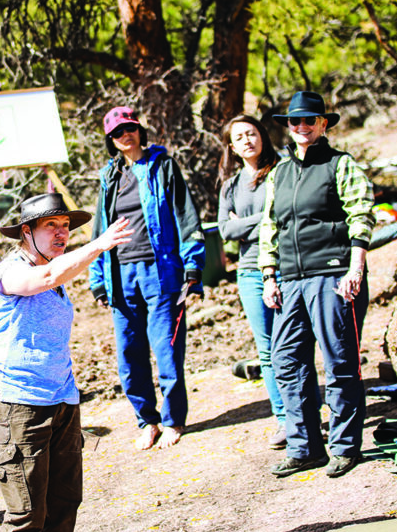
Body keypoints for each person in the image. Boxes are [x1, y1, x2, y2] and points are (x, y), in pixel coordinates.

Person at [0, 193, 132, 532]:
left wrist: (70, 397)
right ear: (26, 232)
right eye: (52, 226)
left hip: (60, 399)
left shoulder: (58, 271)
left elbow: (57, 276)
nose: (62, 233)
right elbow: (44, 280)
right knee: (27, 510)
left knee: (64, 501)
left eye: (66, 226)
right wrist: (99, 244)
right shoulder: (11, 271)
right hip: (17, 403)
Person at [258, 91, 374, 479]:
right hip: (289, 280)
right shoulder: (279, 172)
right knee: (288, 363)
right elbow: (270, 226)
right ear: (287, 127)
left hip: (334, 274)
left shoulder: (340, 164)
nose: (302, 127)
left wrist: (355, 265)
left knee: (340, 361)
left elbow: (361, 212)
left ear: (324, 124)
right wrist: (269, 275)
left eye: (310, 120)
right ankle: (304, 447)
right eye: (295, 121)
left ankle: (344, 446)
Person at [88, 106, 206, 451]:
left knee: (166, 350)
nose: (125, 135)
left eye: (130, 128)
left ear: (140, 130)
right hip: (119, 274)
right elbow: (100, 228)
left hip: (161, 272)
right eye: (117, 132)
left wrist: (193, 267)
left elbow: (186, 217)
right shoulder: (109, 177)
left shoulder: (163, 167)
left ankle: (172, 420)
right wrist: (98, 278)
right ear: (111, 140)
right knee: (129, 355)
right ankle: (147, 421)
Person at [217, 114, 287, 449]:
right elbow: (225, 230)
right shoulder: (231, 185)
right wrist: (263, 219)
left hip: (287, 267)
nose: (247, 140)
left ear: (262, 135)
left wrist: (246, 221)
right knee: (268, 350)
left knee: (295, 347)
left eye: (252, 133)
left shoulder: (283, 170)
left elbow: (287, 213)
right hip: (249, 272)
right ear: (232, 146)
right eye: (239, 137)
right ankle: (285, 420)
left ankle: (305, 413)